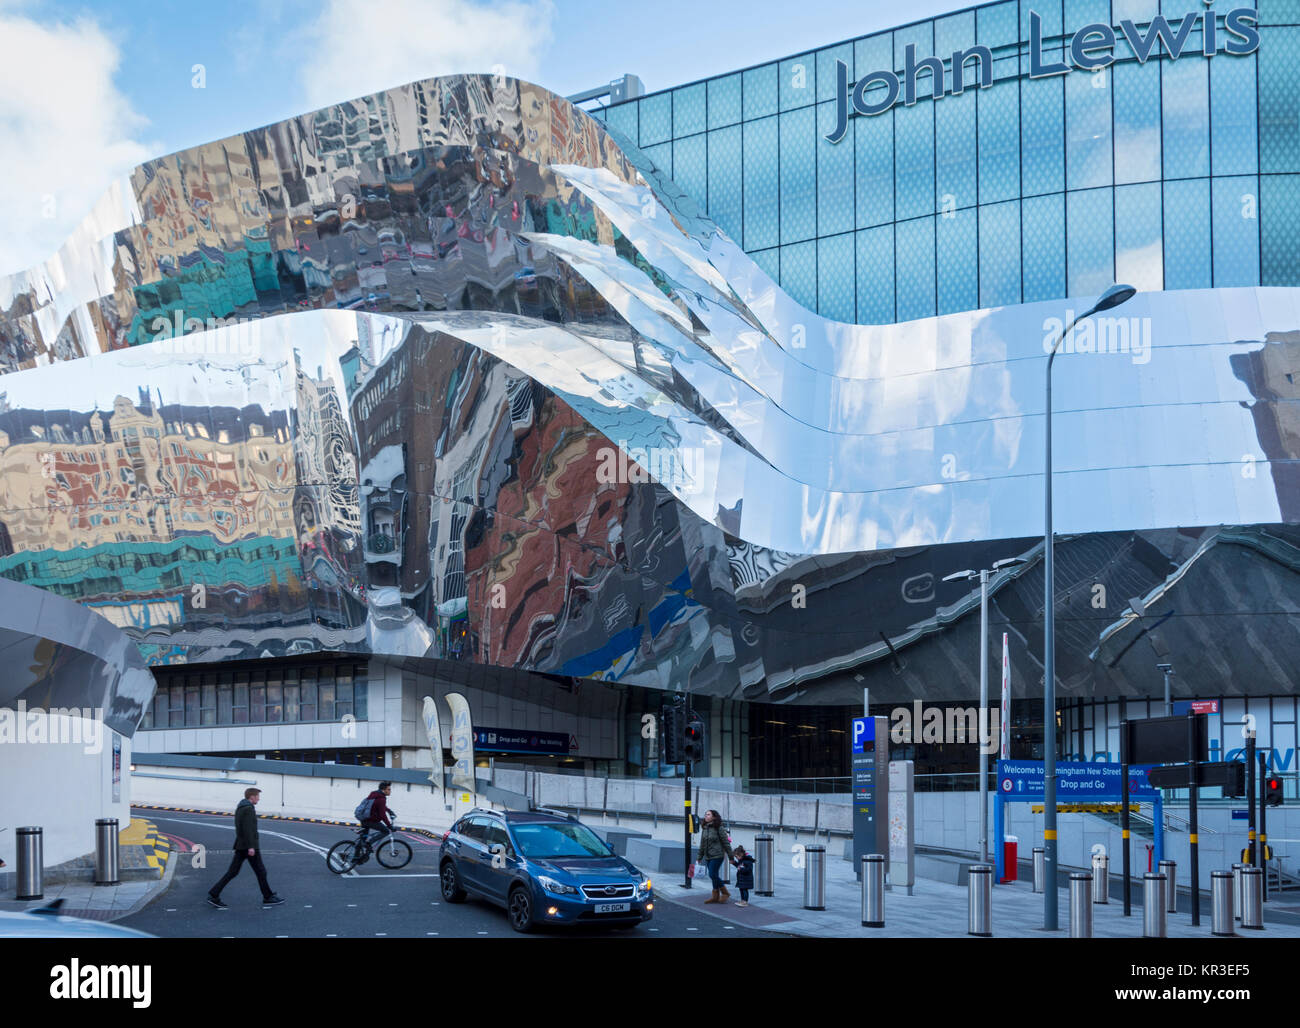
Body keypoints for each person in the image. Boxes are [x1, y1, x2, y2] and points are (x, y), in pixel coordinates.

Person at [207, 788, 284, 908]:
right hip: (249, 847)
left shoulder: (241, 807)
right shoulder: (248, 809)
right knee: (261, 871)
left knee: (233, 872)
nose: (259, 798)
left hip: (241, 845)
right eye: (257, 796)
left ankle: (214, 894)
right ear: (251, 797)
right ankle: (268, 897)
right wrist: (251, 847)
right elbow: (248, 829)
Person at [697, 808, 734, 904]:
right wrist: (699, 857)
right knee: (714, 876)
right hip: (708, 856)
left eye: (708, 814)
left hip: (717, 855)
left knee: (712, 874)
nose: (706, 816)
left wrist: (731, 857)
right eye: (705, 814)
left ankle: (725, 893)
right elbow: (702, 844)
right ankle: (715, 897)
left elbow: (726, 843)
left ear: (714, 817)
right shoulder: (705, 828)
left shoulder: (719, 828)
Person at [357, 781, 395, 848]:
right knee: (386, 831)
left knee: (363, 839)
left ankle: (356, 856)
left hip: (363, 818)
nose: (390, 791)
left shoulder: (374, 794)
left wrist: (389, 811)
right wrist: (389, 826)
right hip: (371, 821)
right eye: (388, 789)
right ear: (383, 790)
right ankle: (369, 843)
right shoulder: (381, 799)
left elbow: (379, 806)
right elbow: (382, 815)